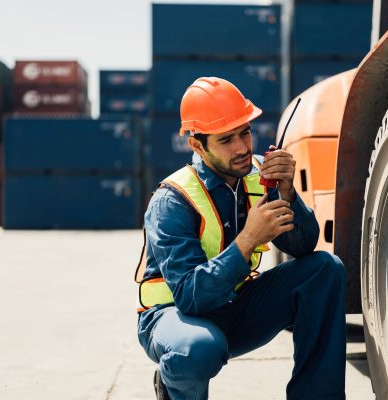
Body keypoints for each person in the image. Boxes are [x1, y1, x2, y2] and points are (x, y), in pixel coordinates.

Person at [135, 77, 347, 400]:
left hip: (232, 305)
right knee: (198, 349)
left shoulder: (259, 174)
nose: (243, 147)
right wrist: (247, 240)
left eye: (245, 132)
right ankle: (172, 385)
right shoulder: (172, 202)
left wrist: (288, 194)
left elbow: (304, 247)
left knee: (325, 271)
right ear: (197, 145)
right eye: (226, 139)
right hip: (174, 317)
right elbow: (191, 298)